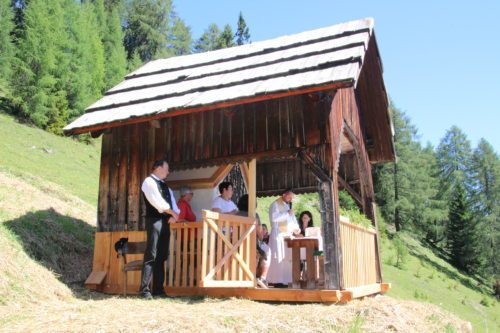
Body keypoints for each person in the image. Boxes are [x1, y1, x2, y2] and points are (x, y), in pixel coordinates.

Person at [139, 159, 180, 299]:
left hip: (165, 222)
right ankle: (144, 290)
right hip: (154, 221)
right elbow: (158, 203)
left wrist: (175, 215)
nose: (168, 172)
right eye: (166, 169)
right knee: (151, 254)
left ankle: (158, 290)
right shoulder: (148, 182)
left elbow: (173, 204)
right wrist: (172, 212)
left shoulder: (166, 187)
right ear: (157, 168)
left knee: (162, 255)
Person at [267, 188, 301, 287]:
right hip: (278, 234)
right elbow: (274, 218)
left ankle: (285, 280)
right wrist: (287, 214)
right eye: (290, 197)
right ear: (284, 195)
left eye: (292, 198)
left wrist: (296, 229)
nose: (291, 199)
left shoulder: (287, 206)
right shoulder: (275, 204)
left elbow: (292, 220)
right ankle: (277, 281)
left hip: (287, 235)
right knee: (278, 257)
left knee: (286, 259)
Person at [237, 194, 270, 287]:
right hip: (250, 246)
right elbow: (260, 235)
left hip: (235, 246)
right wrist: (261, 237)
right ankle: (259, 278)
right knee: (265, 253)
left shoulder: (236, 214)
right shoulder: (254, 215)